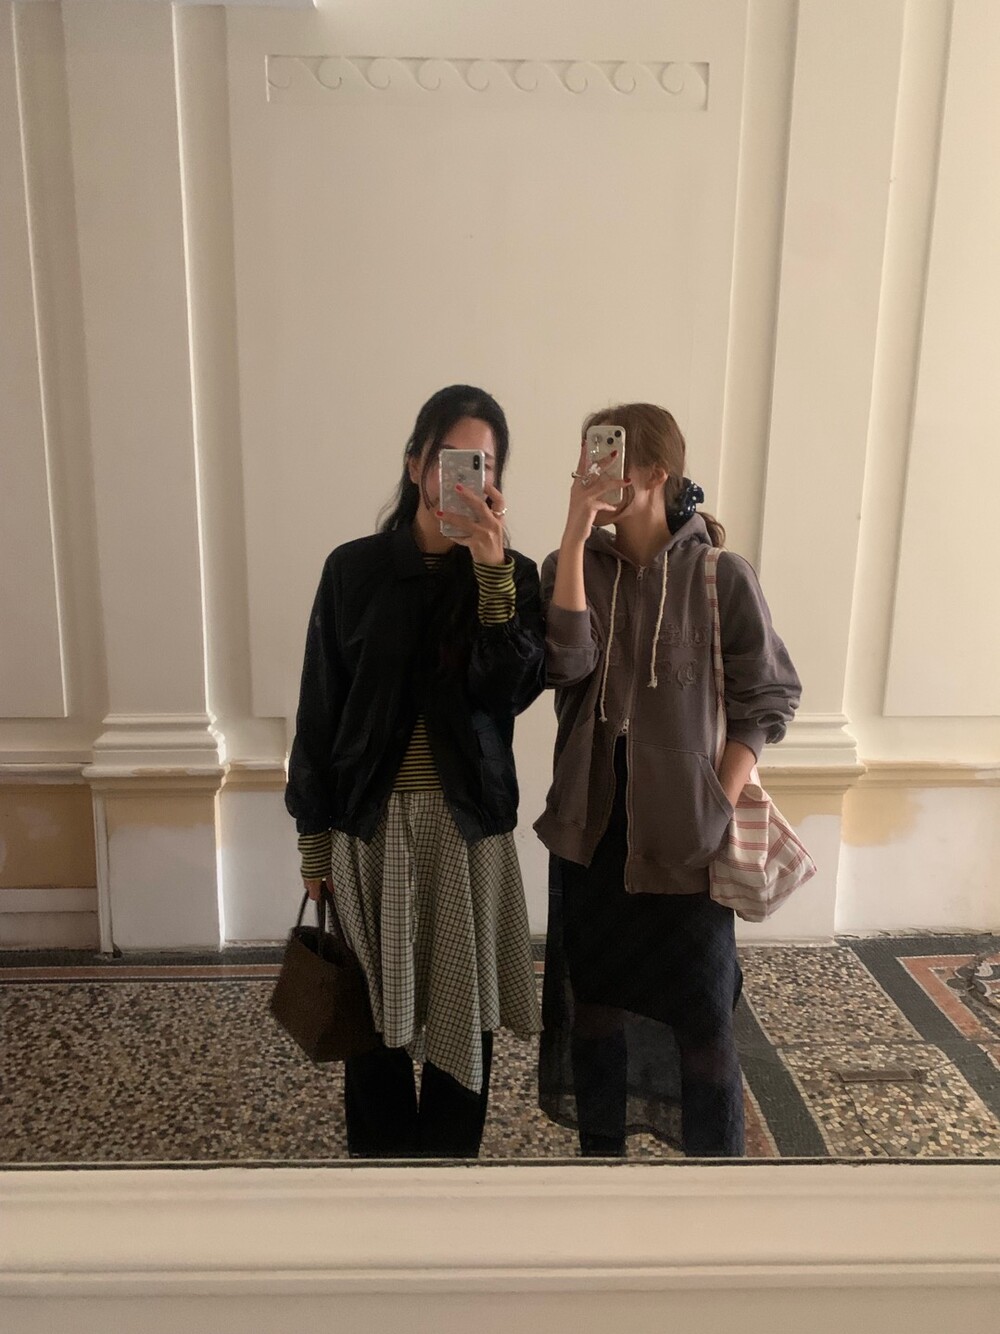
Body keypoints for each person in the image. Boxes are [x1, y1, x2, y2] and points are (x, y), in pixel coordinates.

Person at [535, 403, 801, 1157]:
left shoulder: (721, 574)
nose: (591, 470)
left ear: (656, 472)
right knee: (595, 1013)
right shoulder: (569, 567)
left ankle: (712, 1184)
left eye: (608, 457)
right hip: (591, 830)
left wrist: (719, 797)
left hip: (686, 836)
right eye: (587, 455)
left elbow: (768, 698)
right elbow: (566, 665)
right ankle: (602, 1163)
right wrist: (574, 537)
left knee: (704, 1024)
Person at [285, 385, 543, 1159]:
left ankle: (451, 1183)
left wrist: (491, 573)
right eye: (447, 458)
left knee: (466, 1024)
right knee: (372, 1027)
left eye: (481, 462)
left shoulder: (514, 576)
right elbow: (320, 710)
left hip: (467, 835)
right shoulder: (354, 571)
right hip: (371, 830)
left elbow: (509, 691)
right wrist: (313, 840)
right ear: (415, 464)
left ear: (496, 477)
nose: (461, 475)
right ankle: (382, 1182)